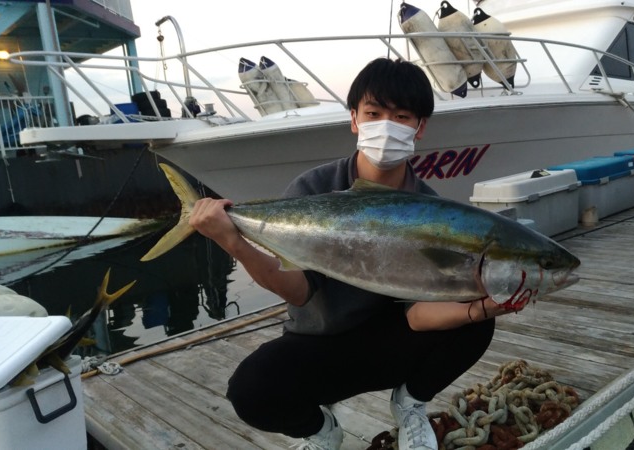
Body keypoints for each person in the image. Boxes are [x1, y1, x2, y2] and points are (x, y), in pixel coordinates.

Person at [188, 58, 528, 450]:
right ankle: (321, 431)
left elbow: (417, 315)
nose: (386, 125)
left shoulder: (429, 209)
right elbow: (298, 292)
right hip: (319, 340)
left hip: (389, 340)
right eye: (373, 113)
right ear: (354, 119)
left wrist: (484, 308)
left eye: (401, 116)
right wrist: (233, 241)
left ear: (420, 127)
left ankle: (410, 404)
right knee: (250, 389)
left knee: (475, 320)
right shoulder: (315, 188)